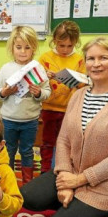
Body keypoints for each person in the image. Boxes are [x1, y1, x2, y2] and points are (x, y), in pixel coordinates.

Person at [21, 37, 108, 217]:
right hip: (73, 172)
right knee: (29, 197)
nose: (96, 64)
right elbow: (63, 140)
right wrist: (65, 180)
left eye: (103, 58)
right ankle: (79, 205)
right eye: (91, 58)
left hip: (107, 182)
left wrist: (79, 180)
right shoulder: (78, 95)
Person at [0, 26, 51, 185]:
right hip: (9, 119)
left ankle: (27, 184)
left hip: (30, 120)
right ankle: (7, 181)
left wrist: (38, 93)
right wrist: (4, 92)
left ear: (34, 48)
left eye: (27, 47)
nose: (23, 51)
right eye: (18, 47)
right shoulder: (6, 68)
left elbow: (47, 91)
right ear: (12, 47)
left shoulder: (37, 68)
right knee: (8, 151)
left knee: (27, 151)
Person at [38, 20, 86, 173]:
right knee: (47, 141)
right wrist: (45, 76)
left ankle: (64, 170)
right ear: (54, 41)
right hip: (49, 107)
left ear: (75, 43)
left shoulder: (79, 59)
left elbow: (83, 84)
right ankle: (45, 170)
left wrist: (73, 80)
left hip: (70, 109)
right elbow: (36, 79)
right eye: (61, 45)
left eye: (69, 46)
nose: (65, 50)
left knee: (66, 142)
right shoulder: (45, 57)